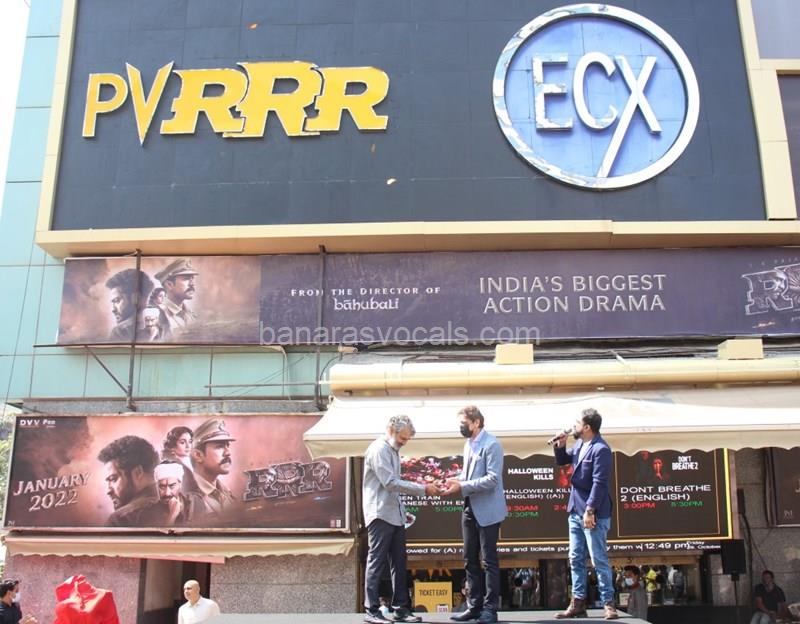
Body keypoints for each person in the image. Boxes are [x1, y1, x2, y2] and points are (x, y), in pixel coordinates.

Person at [362, 414, 440, 624]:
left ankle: (401, 609)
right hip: (379, 514)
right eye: (403, 438)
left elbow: (393, 486)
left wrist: (401, 510)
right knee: (376, 561)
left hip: (393, 515)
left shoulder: (392, 451)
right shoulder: (379, 450)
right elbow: (390, 483)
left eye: (407, 439)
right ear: (391, 431)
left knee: (399, 562)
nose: (405, 442)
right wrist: (423, 488)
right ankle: (372, 610)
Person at [444, 405, 507, 624]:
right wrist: (454, 481)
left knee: (489, 561)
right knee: (469, 559)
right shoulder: (468, 444)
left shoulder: (492, 444)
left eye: (464, 423)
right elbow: (468, 475)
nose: (461, 427)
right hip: (469, 507)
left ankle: (490, 609)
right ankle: (474, 606)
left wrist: (462, 486)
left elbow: (493, 479)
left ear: (476, 422)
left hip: (488, 510)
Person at [552, 408, 617, 620]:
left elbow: (600, 483)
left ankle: (608, 603)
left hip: (593, 511)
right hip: (575, 509)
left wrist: (590, 510)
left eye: (577, 423)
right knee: (575, 557)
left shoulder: (601, 449)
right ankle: (578, 602)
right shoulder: (580, 444)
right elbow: (564, 460)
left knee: (598, 558)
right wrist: (560, 446)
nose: (574, 426)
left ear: (587, 427)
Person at [97, 435, 159, 527]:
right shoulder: (179, 507)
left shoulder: (120, 520)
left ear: (137, 473)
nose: (108, 491)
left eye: (113, 479)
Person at [187, 419, 236, 515]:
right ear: (198, 455)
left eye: (227, 446)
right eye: (219, 446)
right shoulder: (186, 496)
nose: (228, 453)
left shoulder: (227, 494)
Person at [137, 461, 208, 527]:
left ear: (180, 485)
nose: (167, 493)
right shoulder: (148, 514)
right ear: (157, 486)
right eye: (162, 487)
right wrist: (172, 515)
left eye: (172, 486)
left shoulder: (196, 502)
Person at [105, 268, 154, 341]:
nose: (113, 309)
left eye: (117, 301)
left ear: (136, 298)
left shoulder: (120, 331)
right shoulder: (163, 323)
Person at [154, 258, 199, 332]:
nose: (192, 284)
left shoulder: (191, 314)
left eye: (192, 278)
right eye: (186, 278)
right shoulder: (158, 315)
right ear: (169, 285)